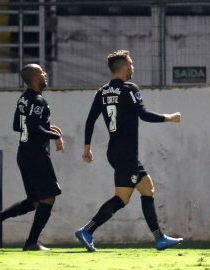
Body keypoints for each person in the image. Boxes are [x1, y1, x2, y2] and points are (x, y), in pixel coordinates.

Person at [75, 50, 183, 252]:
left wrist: (87, 147)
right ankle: (87, 230)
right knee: (122, 198)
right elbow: (143, 115)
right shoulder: (129, 88)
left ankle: (160, 238)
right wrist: (170, 117)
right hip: (126, 153)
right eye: (131, 63)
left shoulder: (102, 92)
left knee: (147, 188)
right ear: (124, 67)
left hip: (116, 151)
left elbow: (91, 120)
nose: (133, 67)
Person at [0, 64, 65, 251]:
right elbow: (34, 128)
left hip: (24, 154)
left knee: (35, 201)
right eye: (42, 73)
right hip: (36, 155)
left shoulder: (23, 99)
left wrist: (47, 127)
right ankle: (31, 243)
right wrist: (56, 136)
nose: (45, 74)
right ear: (36, 77)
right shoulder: (38, 100)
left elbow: (18, 125)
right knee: (49, 198)